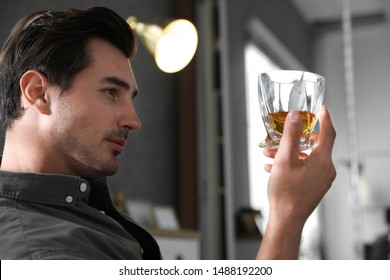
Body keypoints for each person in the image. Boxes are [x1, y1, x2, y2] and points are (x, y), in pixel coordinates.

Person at [0, 7, 336, 260]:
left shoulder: (77, 209)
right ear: (38, 93)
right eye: (110, 92)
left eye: (130, 97)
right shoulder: (43, 253)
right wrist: (287, 215)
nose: (134, 120)